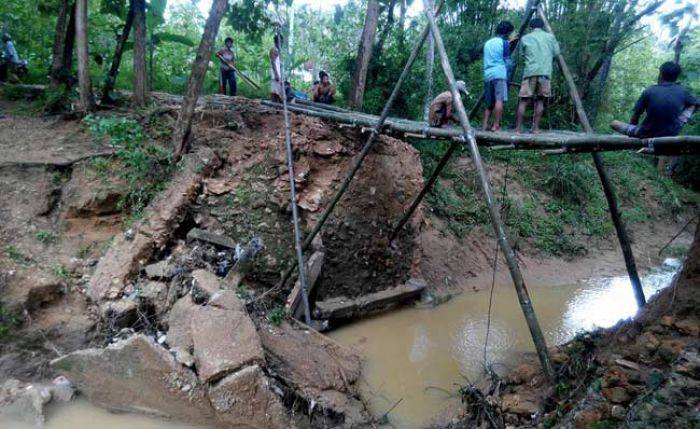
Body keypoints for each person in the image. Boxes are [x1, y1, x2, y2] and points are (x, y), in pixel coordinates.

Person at [610, 62, 697, 139]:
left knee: (614, 123)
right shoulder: (682, 91)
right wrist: (681, 120)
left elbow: (635, 116)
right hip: (671, 134)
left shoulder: (649, 90)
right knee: (692, 104)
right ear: (676, 77)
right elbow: (696, 103)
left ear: (661, 74)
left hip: (646, 134)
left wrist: (632, 130)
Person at [514, 18, 560, 133]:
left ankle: (518, 129)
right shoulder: (550, 37)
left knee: (523, 100)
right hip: (545, 72)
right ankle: (535, 129)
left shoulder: (525, 38)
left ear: (531, 27)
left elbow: (522, 55)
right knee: (540, 101)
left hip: (530, 71)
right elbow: (557, 53)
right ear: (542, 26)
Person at [482, 21, 515, 131]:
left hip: (488, 74)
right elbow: (507, 61)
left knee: (489, 102)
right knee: (499, 99)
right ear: (507, 33)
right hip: (499, 73)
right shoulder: (504, 43)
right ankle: (496, 125)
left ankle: (485, 125)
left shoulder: (488, 43)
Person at [270, 34, 285, 103]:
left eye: (282, 42)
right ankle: (273, 105)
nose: (281, 44)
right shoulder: (274, 50)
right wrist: (276, 74)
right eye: (280, 42)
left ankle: (276, 106)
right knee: (275, 91)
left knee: (277, 92)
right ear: (276, 42)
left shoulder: (278, 51)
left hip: (278, 74)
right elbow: (273, 62)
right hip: (276, 74)